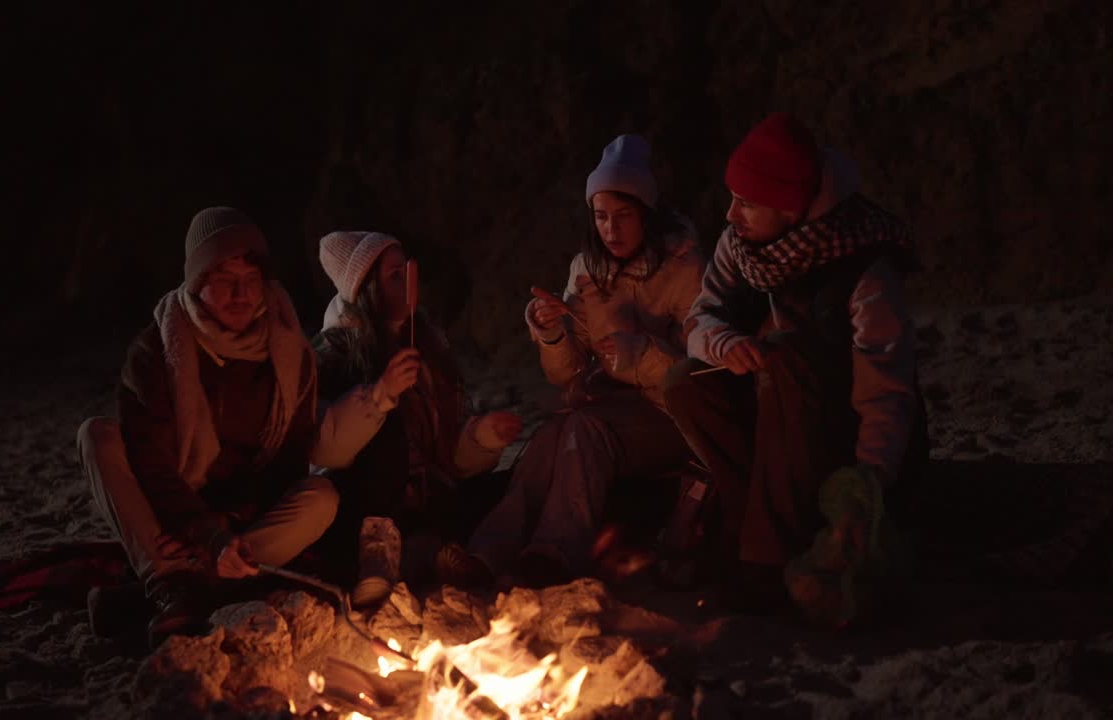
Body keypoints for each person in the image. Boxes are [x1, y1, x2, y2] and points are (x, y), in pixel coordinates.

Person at [660, 112, 928, 612]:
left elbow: (886, 391)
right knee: (685, 382)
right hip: (777, 419)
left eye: (747, 202)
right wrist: (724, 344)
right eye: (732, 198)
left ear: (789, 207)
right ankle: (742, 530)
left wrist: (867, 481)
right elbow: (700, 320)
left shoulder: (863, 265)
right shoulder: (743, 247)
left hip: (838, 431)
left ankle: (766, 563)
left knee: (785, 355)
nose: (731, 215)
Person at [443, 134, 707, 587]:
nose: (611, 230)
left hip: (670, 415)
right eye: (601, 217)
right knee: (550, 434)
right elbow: (567, 373)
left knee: (583, 430)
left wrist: (641, 356)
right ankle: (488, 551)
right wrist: (551, 332)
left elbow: (698, 374)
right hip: (608, 408)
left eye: (623, 216)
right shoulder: (587, 270)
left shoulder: (684, 269)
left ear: (646, 213)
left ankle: (555, 553)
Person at [76, 207, 338, 646]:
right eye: (224, 279)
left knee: (322, 497)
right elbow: (150, 461)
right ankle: (168, 580)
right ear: (197, 282)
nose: (241, 293)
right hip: (174, 510)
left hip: (243, 518)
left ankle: (186, 589)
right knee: (97, 436)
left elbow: (289, 460)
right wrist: (203, 532)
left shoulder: (290, 352)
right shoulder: (157, 351)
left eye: (251, 279)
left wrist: (229, 529)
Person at [310, 231, 522, 604]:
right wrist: (381, 395)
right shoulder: (333, 355)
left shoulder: (425, 345)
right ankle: (395, 560)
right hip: (362, 513)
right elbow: (325, 452)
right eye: (395, 275)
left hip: (429, 500)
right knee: (387, 423)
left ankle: (433, 553)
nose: (409, 281)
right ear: (367, 289)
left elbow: (446, 454)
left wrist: (482, 438)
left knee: (513, 486)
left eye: (408, 270)